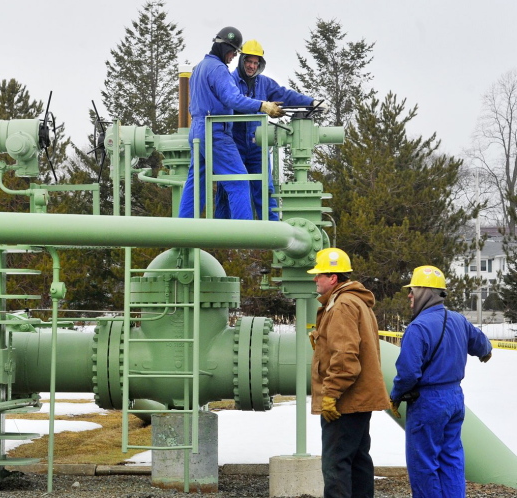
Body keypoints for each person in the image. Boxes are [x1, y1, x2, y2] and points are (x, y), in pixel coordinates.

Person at [389, 265, 492, 497]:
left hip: (428, 403)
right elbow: (483, 346)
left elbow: (407, 374)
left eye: (413, 290)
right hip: (455, 399)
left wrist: (395, 396)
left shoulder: (418, 328)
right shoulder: (458, 320)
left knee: (424, 463)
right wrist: (486, 352)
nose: (409, 295)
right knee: (451, 459)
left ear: (425, 292)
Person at [177, 26, 285, 220]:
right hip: (216, 131)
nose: (234, 56)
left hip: (197, 131)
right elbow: (232, 99)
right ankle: (244, 244)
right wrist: (263, 106)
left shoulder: (200, 67)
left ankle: (181, 236)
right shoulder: (219, 69)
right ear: (224, 47)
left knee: (196, 184)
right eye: (233, 51)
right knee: (239, 182)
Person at [307, 248, 390, 498]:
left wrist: (331, 394)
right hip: (357, 400)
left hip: (345, 401)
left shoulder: (342, 305)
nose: (315, 279)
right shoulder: (355, 301)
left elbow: (344, 357)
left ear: (333, 278)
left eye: (319, 274)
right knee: (358, 460)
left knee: (336, 463)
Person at [213, 40, 324, 220]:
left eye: (256, 63)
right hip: (234, 144)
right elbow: (232, 101)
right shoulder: (230, 81)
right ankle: (226, 239)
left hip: (258, 145)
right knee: (229, 188)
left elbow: (285, 95)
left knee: (265, 188)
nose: (252, 66)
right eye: (249, 61)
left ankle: (271, 235)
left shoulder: (264, 83)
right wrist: (261, 106)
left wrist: (311, 102)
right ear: (241, 61)